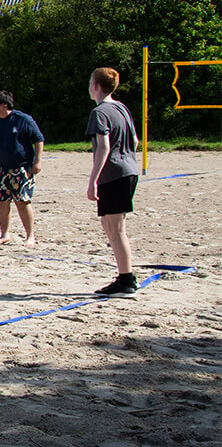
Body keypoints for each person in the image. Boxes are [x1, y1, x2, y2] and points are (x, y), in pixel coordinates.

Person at [85, 67, 140, 297]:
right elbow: (135, 140)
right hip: (127, 170)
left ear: (95, 86)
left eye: (90, 82)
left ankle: (127, 280)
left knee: (116, 229)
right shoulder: (121, 108)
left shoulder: (100, 111)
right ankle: (123, 276)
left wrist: (93, 180)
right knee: (109, 225)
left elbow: (104, 147)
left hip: (113, 174)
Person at [0, 90, 45, 245]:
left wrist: (37, 161)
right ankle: (5, 234)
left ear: (4, 105)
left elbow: (38, 139)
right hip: (2, 167)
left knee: (22, 201)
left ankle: (30, 236)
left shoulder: (22, 119)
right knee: (1, 202)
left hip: (22, 167)